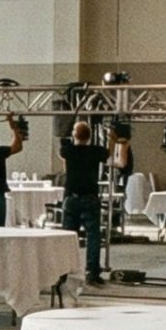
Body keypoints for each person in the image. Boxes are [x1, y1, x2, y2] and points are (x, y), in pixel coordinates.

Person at [59, 121, 109, 283]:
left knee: (67, 237)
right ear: (89, 136)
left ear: (74, 135)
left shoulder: (67, 151)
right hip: (90, 197)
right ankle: (92, 272)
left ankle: (63, 272)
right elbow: (108, 153)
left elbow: (62, 146)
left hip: (72, 198)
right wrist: (113, 139)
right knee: (93, 236)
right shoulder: (96, 151)